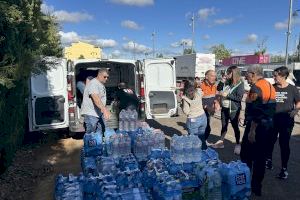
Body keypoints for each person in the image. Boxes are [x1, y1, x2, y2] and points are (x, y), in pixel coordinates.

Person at [240, 65, 276, 196]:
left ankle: (245, 184)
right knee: (260, 158)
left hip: (257, 127)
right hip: (268, 127)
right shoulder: (269, 85)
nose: (245, 77)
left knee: (246, 155)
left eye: (247, 74)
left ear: (254, 74)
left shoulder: (256, 87)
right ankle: (256, 187)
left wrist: (252, 131)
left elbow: (257, 111)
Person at [265, 66, 300, 179]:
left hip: (286, 122)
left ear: (283, 76)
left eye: (276, 75)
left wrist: (295, 110)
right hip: (273, 121)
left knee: (284, 145)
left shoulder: (292, 89)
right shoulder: (272, 87)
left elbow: (298, 102)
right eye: (274, 75)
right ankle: (268, 161)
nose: (274, 77)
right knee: (270, 142)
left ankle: (284, 169)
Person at [213, 66, 245, 155]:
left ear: (234, 73)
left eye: (228, 73)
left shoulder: (240, 84)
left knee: (235, 127)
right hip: (225, 108)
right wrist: (222, 80)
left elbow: (239, 98)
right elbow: (219, 89)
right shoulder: (228, 81)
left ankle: (238, 144)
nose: (227, 74)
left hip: (233, 109)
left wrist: (227, 95)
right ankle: (221, 142)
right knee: (224, 125)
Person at [81, 68, 110, 134]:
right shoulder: (94, 83)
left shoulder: (100, 84)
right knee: (91, 135)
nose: (106, 79)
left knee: (99, 134)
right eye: (104, 77)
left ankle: (98, 144)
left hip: (97, 113)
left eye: (107, 77)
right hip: (91, 113)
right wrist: (104, 110)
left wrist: (104, 110)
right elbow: (95, 98)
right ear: (99, 75)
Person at [182, 81, 207, 147]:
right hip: (203, 117)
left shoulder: (185, 97)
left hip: (193, 119)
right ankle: (204, 150)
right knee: (202, 137)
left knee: (193, 140)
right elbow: (202, 93)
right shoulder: (199, 91)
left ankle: (195, 154)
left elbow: (186, 111)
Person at [200, 70, 219, 148]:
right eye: (212, 76)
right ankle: (200, 144)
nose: (214, 78)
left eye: (215, 76)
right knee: (203, 129)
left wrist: (216, 102)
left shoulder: (214, 86)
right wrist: (207, 107)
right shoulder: (200, 86)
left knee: (207, 129)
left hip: (209, 111)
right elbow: (197, 101)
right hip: (201, 112)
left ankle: (203, 141)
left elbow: (214, 97)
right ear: (206, 77)